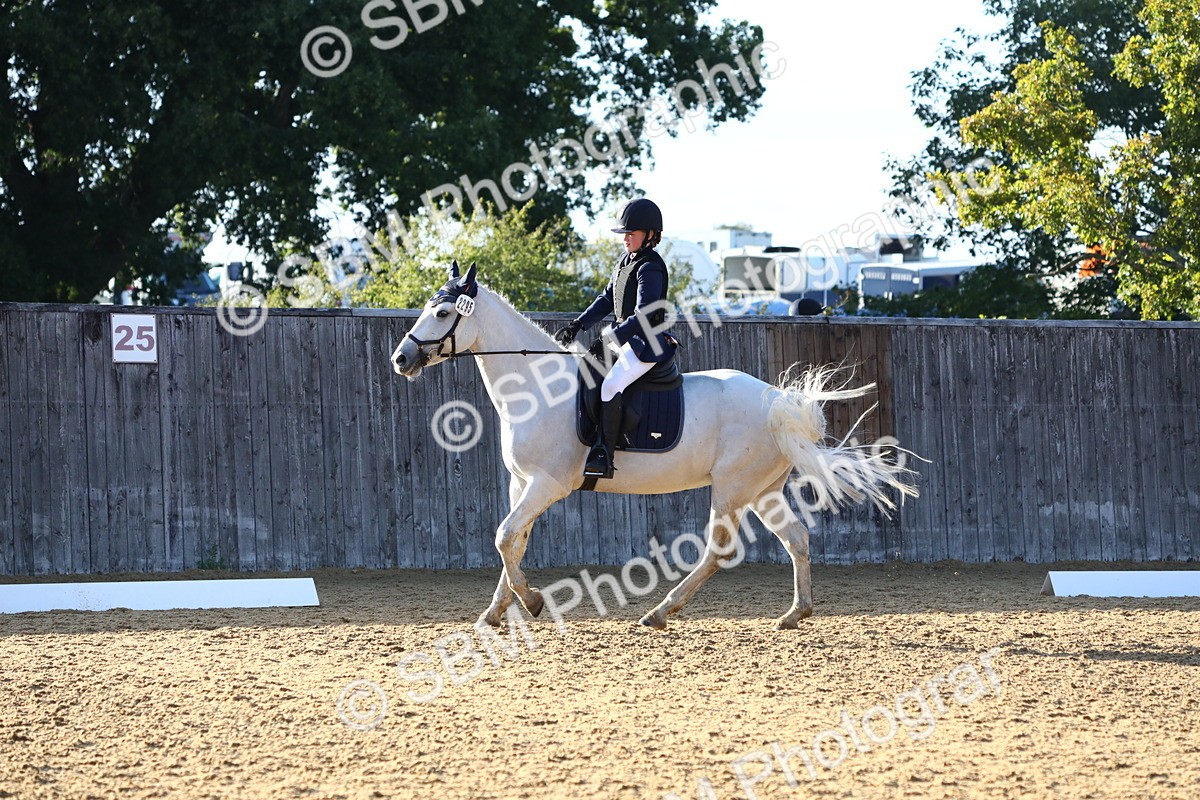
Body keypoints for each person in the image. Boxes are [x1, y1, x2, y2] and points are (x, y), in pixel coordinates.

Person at [554, 198, 676, 479]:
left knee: (610, 386)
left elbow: (645, 314)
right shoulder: (625, 262)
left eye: (632, 233)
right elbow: (608, 298)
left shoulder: (650, 267)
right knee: (586, 371)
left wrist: (611, 339)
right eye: (624, 233)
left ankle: (603, 454)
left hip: (647, 344)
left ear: (650, 235)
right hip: (626, 339)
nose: (626, 238)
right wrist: (578, 324)